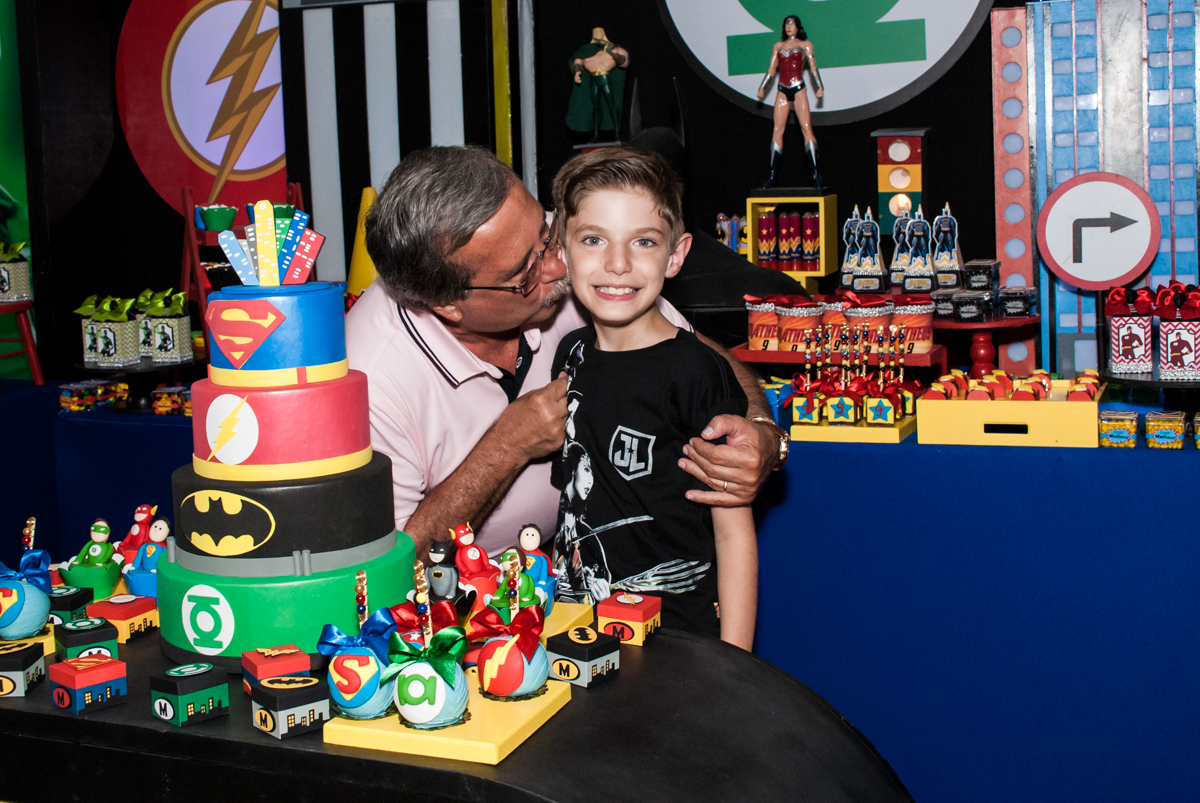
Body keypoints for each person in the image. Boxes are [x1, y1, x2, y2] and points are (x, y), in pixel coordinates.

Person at [347, 146, 787, 563]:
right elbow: (395, 570)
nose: (560, 268)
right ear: (445, 303)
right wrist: (506, 447)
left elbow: (698, 355)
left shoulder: (584, 245)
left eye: (548, 235)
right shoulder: (370, 378)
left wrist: (764, 433)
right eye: (525, 274)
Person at [549, 147, 757, 650]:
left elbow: (734, 535)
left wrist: (734, 669)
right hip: (574, 627)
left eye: (643, 242)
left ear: (676, 254)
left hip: (677, 637)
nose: (617, 264)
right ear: (561, 250)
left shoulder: (695, 371)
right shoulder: (570, 354)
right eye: (594, 239)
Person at [756, 15, 824, 189]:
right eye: (786, 24)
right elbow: (771, 69)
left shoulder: (805, 45)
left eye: (792, 24)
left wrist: (819, 86)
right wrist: (763, 86)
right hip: (782, 89)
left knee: (806, 128)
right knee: (777, 130)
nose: (789, 27)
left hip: (798, 87)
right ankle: (772, 177)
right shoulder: (778, 47)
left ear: (797, 26)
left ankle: (816, 174)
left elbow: (813, 67)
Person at [566, 27, 630, 143]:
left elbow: (624, 63)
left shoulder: (615, 49)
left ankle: (616, 133)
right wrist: (577, 72)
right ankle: (596, 135)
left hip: (605, 78)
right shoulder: (586, 50)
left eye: (599, 32)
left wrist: (611, 52)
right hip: (594, 79)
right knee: (596, 107)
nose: (597, 34)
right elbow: (577, 62)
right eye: (595, 33)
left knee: (611, 105)